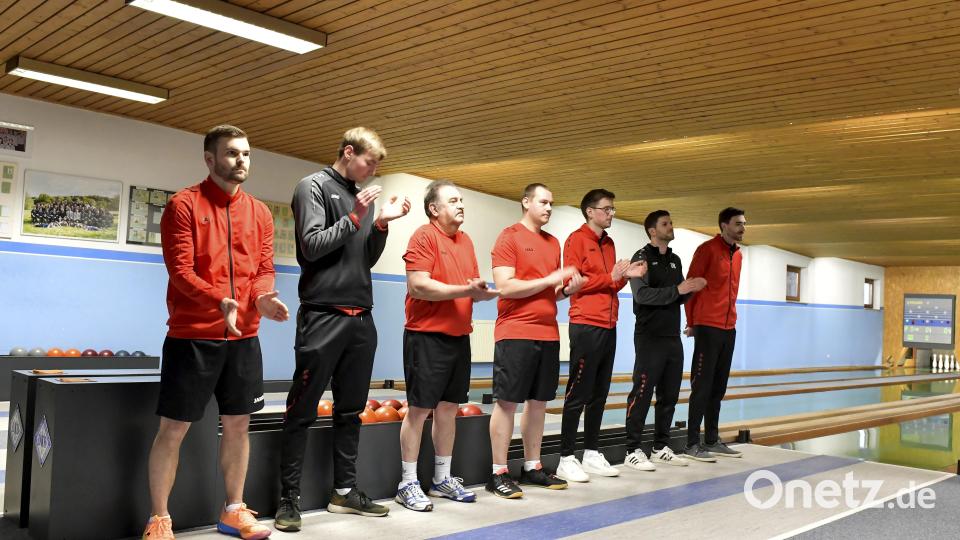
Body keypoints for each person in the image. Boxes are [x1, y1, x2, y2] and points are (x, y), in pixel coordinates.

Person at [144, 125, 289, 540]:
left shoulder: (260, 212)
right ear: (210, 159)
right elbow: (181, 270)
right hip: (192, 337)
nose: (241, 161)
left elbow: (264, 270)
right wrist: (219, 300)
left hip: (243, 338)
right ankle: (159, 519)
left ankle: (233, 511)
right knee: (174, 430)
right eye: (231, 154)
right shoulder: (183, 205)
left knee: (239, 425)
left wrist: (260, 298)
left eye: (245, 154)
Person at [275, 127, 411, 532]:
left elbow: (363, 259)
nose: (371, 172)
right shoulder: (311, 187)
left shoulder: (361, 197)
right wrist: (355, 216)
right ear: (348, 152)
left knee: (350, 412)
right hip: (322, 316)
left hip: (360, 319)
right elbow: (313, 245)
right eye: (369, 162)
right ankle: (288, 499)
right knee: (301, 411)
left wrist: (380, 224)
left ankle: (344, 492)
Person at [396, 180, 499, 511]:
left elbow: (467, 285)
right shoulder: (423, 236)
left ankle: (442, 478)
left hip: (459, 337)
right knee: (418, 410)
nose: (461, 205)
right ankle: (408, 482)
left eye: (462, 200)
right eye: (453, 200)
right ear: (434, 209)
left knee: (448, 410)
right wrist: (466, 291)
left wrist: (478, 291)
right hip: (425, 336)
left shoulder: (466, 241)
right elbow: (419, 285)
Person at [486, 183, 585, 499]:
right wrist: (550, 279)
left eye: (552, 203)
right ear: (526, 202)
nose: (549, 208)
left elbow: (548, 291)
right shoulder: (509, 237)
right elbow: (506, 286)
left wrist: (567, 289)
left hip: (548, 333)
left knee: (539, 402)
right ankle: (498, 472)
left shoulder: (553, 243)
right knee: (507, 402)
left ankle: (532, 467)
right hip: (515, 332)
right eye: (543, 202)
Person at [555, 189, 645, 482]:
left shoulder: (609, 243)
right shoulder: (576, 240)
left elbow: (609, 286)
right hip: (585, 324)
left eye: (612, 209)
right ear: (590, 211)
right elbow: (574, 282)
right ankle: (566, 456)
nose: (611, 213)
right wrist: (611, 277)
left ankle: (591, 451)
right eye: (606, 209)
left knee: (599, 393)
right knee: (577, 393)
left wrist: (623, 277)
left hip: (609, 325)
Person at [623, 210, 705, 471]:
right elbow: (642, 296)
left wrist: (689, 291)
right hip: (649, 336)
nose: (671, 227)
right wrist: (678, 290)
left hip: (672, 337)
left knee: (669, 395)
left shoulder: (675, 259)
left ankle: (660, 447)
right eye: (665, 224)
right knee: (643, 392)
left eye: (671, 222)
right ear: (652, 231)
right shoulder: (641, 257)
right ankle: (632, 449)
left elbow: (676, 296)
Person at [683, 207, 747, 462]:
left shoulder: (739, 255)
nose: (743, 228)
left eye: (744, 224)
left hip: (728, 327)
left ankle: (711, 439)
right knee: (701, 386)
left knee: (718, 387)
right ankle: (691, 443)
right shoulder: (707, 250)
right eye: (738, 223)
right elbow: (691, 287)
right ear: (724, 225)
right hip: (707, 326)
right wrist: (691, 322)